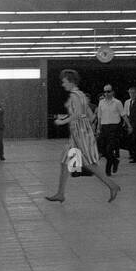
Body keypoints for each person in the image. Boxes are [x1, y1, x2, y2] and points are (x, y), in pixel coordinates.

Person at [45, 69, 121, 203]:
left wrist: (62, 121)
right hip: (80, 132)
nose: (63, 85)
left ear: (70, 81)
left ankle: (112, 185)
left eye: (64, 82)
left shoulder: (75, 95)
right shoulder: (81, 95)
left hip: (79, 133)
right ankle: (60, 193)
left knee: (88, 164)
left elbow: (78, 114)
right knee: (65, 162)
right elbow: (89, 116)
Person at [95, 84, 127, 177]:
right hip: (104, 127)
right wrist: (98, 127)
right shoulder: (101, 103)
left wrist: (128, 125)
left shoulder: (117, 102)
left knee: (109, 149)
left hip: (114, 128)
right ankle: (115, 161)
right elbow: (99, 116)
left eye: (108, 91)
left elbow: (123, 114)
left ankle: (108, 170)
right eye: (105, 91)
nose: (106, 93)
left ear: (112, 92)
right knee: (102, 149)